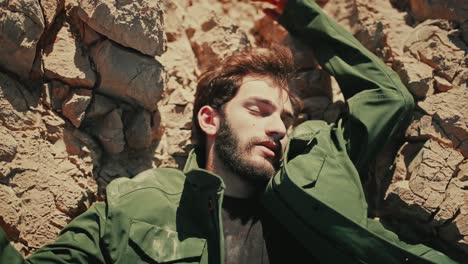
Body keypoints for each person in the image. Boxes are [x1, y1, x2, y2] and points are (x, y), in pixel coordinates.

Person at [0, 0, 458, 263]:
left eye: (286, 117)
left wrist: (302, 14)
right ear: (210, 119)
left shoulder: (316, 172)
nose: (278, 127)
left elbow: (388, 98)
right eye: (259, 109)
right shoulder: (136, 205)